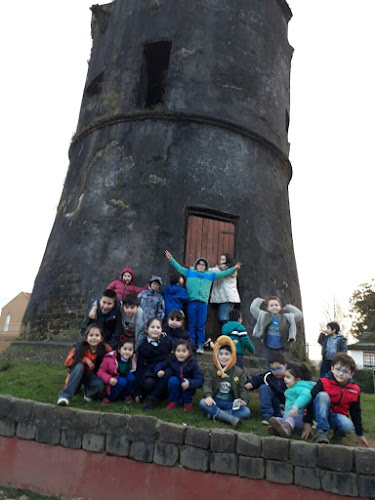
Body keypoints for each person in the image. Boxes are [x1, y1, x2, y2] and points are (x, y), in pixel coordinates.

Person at [164, 250, 241, 353]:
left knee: (201, 325)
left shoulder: (210, 275)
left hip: (203, 303)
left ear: (206, 267)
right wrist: (171, 259)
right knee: (191, 324)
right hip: (192, 302)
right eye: (199, 264)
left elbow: (223, 273)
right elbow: (179, 268)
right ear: (196, 265)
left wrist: (233, 269)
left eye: (203, 265)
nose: (201, 266)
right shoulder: (190, 273)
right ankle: (191, 345)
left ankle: (200, 345)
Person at [302, 352, 369, 446]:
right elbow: (310, 401)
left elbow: (355, 412)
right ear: (332, 369)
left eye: (345, 371)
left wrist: (360, 434)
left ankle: (337, 436)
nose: (341, 373)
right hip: (320, 413)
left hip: (338, 416)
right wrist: (307, 422)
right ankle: (322, 432)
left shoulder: (354, 389)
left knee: (348, 426)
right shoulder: (323, 382)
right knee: (322, 396)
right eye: (338, 369)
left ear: (351, 374)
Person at [199, 335, 250, 428]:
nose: (223, 357)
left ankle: (215, 414)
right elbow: (207, 384)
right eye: (221, 354)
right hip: (215, 401)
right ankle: (230, 419)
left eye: (227, 354)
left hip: (229, 403)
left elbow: (242, 388)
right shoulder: (211, 369)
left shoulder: (238, 371)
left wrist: (244, 400)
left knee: (246, 411)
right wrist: (208, 396)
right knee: (202, 402)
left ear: (232, 355)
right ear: (217, 355)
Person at [57, 324, 111, 406]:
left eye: (97, 335)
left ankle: (87, 392)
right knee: (80, 366)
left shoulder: (105, 348)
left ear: (101, 338)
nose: (94, 338)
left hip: (91, 376)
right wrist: (85, 360)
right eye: (91, 335)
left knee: (100, 385)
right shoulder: (79, 347)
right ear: (86, 338)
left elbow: (111, 361)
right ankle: (64, 397)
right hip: (77, 374)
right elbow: (68, 362)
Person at [134, 318, 174, 411]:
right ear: (147, 330)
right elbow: (140, 368)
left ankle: (151, 399)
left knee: (168, 372)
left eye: (158, 327)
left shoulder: (166, 340)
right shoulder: (143, 347)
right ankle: (151, 394)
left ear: (161, 330)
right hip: (150, 371)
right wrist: (137, 391)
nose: (155, 330)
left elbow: (176, 347)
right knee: (148, 384)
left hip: (164, 368)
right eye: (152, 327)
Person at [267, 361, 315, 438]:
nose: (285, 379)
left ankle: (286, 430)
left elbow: (306, 395)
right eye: (285, 377)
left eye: (288, 377)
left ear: (298, 380)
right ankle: (276, 429)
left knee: (290, 418)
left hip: (298, 418)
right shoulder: (292, 388)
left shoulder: (301, 388)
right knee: (277, 419)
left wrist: (296, 406)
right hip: (289, 416)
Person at [155, 339, 204, 411]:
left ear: (189, 352)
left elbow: (200, 380)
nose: (181, 353)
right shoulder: (171, 360)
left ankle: (187, 402)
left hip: (187, 388)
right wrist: (158, 371)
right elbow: (160, 364)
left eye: (184, 351)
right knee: (173, 380)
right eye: (178, 351)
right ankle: (173, 401)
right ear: (174, 352)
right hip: (176, 386)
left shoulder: (192, 364)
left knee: (186, 382)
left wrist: (190, 383)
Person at [250, 296, 303, 361]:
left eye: (276, 305)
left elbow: (299, 315)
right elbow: (253, 308)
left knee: (280, 363)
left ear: (280, 307)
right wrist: (259, 300)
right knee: (270, 363)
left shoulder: (286, 317)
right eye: (271, 305)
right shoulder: (264, 316)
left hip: (281, 346)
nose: (274, 307)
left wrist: (288, 307)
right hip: (269, 345)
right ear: (267, 308)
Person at [245, 351, 287, 424]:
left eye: (279, 368)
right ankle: (267, 415)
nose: (276, 372)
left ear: (285, 366)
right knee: (264, 387)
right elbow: (258, 379)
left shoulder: (290, 377)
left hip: (287, 403)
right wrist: (251, 383)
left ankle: (281, 417)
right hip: (273, 401)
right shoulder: (268, 376)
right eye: (273, 369)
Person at [97, 339, 137, 404]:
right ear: (119, 349)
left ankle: (125, 395)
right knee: (122, 381)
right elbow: (100, 372)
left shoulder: (132, 361)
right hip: (113, 382)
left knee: (131, 377)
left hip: (124, 381)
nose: (127, 352)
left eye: (130, 350)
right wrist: (109, 379)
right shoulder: (110, 359)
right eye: (125, 349)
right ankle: (110, 398)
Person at [209, 253, 241, 325]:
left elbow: (212, 271)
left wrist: (198, 269)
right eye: (221, 259)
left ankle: (226, 335)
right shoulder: (231, 269)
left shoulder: (226, 269)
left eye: (223, 259)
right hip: (228, 297)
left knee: (224, 317)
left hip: (226, 297)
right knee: (227, 317)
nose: (221, 261)